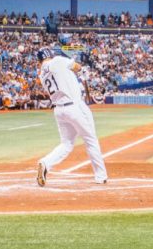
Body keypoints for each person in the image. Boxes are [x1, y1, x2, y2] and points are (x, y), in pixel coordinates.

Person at [35, 48, 108, 187]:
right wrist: (83, 72)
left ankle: (46, 162)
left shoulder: (41, 75)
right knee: (90, 139)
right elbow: (76, 66)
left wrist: (80, 74)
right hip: (75, 107)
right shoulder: (57, 60)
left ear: (40, 60)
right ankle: (101, 176)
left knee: (66, 144)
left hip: (59, 110)